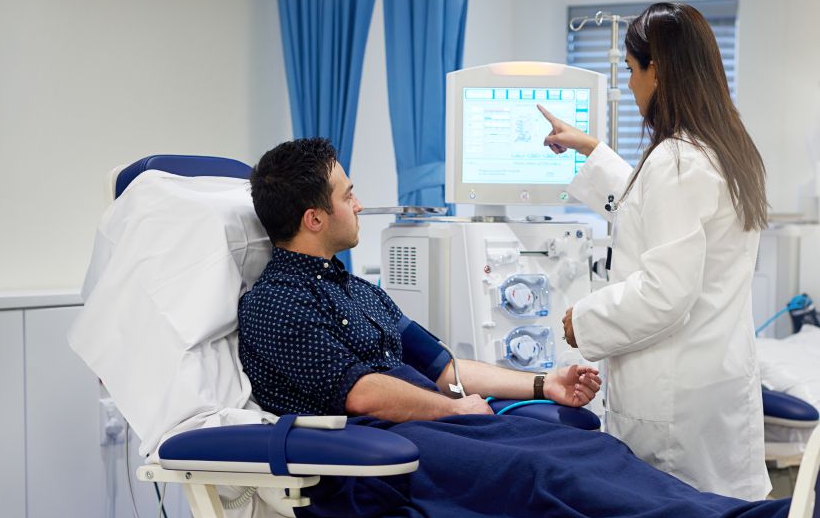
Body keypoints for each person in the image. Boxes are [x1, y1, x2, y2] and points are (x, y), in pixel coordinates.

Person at [537, 2, 770, 500]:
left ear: (657, 70)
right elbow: (655, 211)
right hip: (715, 382)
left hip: (673, 402)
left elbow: (666, 293)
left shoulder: (677, 161)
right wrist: (592, 150)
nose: (630, 84)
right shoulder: (726, 151)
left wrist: (586, 319)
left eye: (630, 70)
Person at [238, 137, 601, 420]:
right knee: (554, 473)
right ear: (314, 219)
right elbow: (360, 393)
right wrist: (453, 410)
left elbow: (444, 368)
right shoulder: (274, 305)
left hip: (432, 429)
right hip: (382, 453)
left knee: (586, 448)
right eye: (349, 197)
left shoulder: (361, 292)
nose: (359, 205)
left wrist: (544, 383)